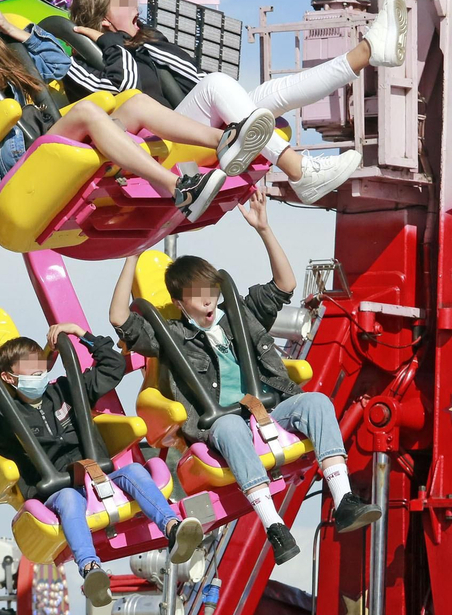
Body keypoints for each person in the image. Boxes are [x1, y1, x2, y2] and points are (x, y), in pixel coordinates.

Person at [109, 187, 380, 565]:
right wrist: (131, 256)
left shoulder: (240, 313)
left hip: (270, 406)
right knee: (231, 428)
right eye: (196, 294)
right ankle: (275, 527)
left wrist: (264, 229)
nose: (207, 299)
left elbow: (285, 285)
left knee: (317, 402)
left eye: (210, 290)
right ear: (180, 303)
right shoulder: (173, 336)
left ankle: (345, 499)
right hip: (221, 420)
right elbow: (119, 318)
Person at [0, 0, 276, 221]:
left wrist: (18, 33)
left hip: (42, 140)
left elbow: (57, 63)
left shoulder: (5, 53)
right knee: (87, 111)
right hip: (15, 162)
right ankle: (177, 189)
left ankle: (226, 141)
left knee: (135, 102)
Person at [65, 0, 408, 206]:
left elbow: (190, 78)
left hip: (192, 127)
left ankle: (366, 52)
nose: (136, 7)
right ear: (103, 17)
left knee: (270, 93)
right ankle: (297, 168)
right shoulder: (83, 65)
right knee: (217, 84)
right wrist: (110, 43)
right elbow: (125, 93)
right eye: (125, 3)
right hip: (156, 147)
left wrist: (130, 42)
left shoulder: (146, 44)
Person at [0, 324, 203, 607]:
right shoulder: (0, 417)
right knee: (69, 498)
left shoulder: (64, 389)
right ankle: (91, 569)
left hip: (97, 478)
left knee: (135, 471)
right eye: (30, 369)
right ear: (8, 377)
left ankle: (173, 527)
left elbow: (112, 366)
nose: (39, 373)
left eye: (40, 365)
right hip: (55, 493)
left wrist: (80, 334)